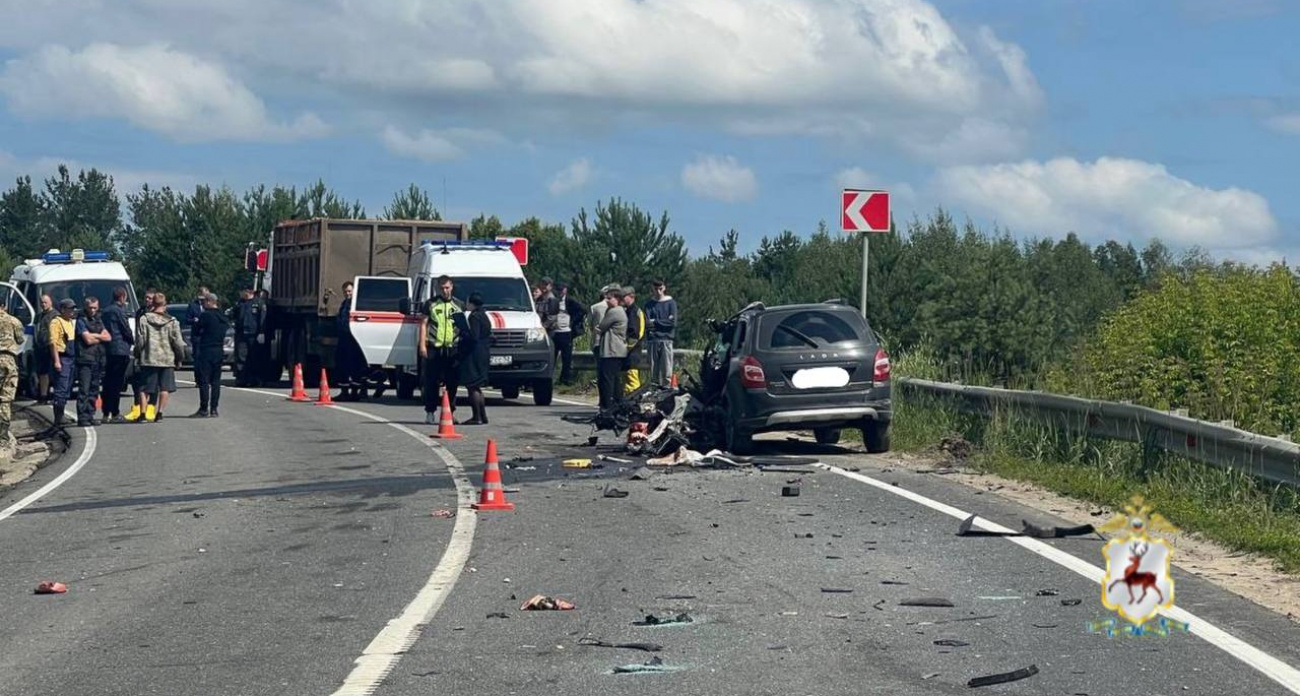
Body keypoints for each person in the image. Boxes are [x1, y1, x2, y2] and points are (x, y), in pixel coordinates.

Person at [130, 294, 185, 423]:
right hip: (166, 359)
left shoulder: (144, 319)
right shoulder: (172, 321)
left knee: (144, 388)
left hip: (149, 358)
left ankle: (143, 414)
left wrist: (137, 354)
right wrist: (179, 357)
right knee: (164, 388)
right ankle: (159, 413)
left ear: (153, 304)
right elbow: (178, 342)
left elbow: (140, 340)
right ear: (165, 305)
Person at [419, 275, 462, 424]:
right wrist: (422, 345)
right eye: (442, 288)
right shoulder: (430, 304)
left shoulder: (458, 305)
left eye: (447, 287)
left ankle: (450, 411)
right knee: (431, 381)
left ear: (452, 287)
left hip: (452, 348)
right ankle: (430, 412)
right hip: (434, 347)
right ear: (438, 288)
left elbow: (462, 326)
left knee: (452, 382)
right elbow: (423, 324)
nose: (445, 291)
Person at [455, 292, 492, 425]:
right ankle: (483, 415)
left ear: (472, 303)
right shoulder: (484, 315)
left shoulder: (474, 316)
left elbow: (474, 336)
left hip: (474, 354)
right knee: (477, 386)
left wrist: (462, 331)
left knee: (472, 386)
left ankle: (477, 417)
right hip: (484, 352)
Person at [74, 296, 111, 427]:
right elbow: (87, 340)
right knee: (84, 389)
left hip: (97, 359)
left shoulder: (98, 319)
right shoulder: (81, 320)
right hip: (85, 359)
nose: (93, 310)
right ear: (86, 307)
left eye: (95, 308)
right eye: (90, 308)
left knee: (94, 390)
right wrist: (99, 337)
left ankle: (90, 415)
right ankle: (82, 417)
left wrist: (94, 335)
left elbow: (108, 337)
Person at [191, 293, 229, 417]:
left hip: (206, 349)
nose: (202, 304)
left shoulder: (206, 315)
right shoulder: (222, 317)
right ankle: (214, 409)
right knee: (216, 381)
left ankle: (203, 408)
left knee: (204, 381)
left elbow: (196, 330)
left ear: (209, 302)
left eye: (204, 302)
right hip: (219, 350)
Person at [100, 286, 135, 423]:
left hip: (107, 349)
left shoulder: (105, 311)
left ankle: (106, 412)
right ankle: (115, 412)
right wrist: (132, 340)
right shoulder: (119, 311)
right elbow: (125, 328)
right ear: (122, 297)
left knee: (107, 382)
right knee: (117, 383)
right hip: (119, 349)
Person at [334, 281, 368, 402]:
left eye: (349, 291)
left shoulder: (356, 305)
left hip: (354, 338)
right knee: (341, 364)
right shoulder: (345, 304)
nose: (347, 293)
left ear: (354, 291)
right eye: (345, 292)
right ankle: (344, 392)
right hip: (343, 337)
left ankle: (355, 392)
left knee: (355, 365)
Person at [595, 287, 627, 411]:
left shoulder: (614, 312)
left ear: (617, 299)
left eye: (609, 298)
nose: (607, 301)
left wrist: (598, 328)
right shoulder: (619, 311)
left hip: (611, 350)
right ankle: (617, 404)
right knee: (615, 379)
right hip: (617, 350)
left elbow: (601, 326)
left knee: (607, 379)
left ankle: (607, 406)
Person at [48, 298, 77, 428]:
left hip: (71, 358)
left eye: (73, 309)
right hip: (62, 358)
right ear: (63, 309)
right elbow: (53, 343)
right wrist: (56, 361)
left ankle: (62, 415)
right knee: (60, 389)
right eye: (70, 309)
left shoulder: (70, 322)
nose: (72, 311)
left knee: (67, 389)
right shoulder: (56, 322)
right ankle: (58, 419)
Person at [644, 280, 678, 386]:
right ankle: (654, 391)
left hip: (666, 340)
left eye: (660, 289)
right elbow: (647, 323)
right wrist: (663, 322)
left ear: (664, 288)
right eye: (656, 289)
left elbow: (672, 323)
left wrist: (656, 321)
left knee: (667, 371)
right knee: (653, 372)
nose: (658, 292)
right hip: (653, 340)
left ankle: (667, 390)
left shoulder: (671, 303)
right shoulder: (649, 305)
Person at [0, 302, 24, 446]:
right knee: (5, 399)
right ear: (4, 306)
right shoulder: (13, 321)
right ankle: (3, 436)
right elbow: (20, 340)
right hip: (8, 360)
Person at [552, 283, 585, 385]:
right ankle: (549, 378)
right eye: (558, 290)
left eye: (561, 290)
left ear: (565, 290)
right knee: (552, 356)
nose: (560, 292)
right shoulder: (553, 301)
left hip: (566, 332)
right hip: (554, 332)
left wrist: (572, 321)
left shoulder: (570, 301)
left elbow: (582, 310)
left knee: (566, 358)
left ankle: (565, 379)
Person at [621, 286, 646, 395]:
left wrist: (625, 348)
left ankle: (634, 401)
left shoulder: (634, 312)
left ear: (631, 297)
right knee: (627, 382)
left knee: (632, 382)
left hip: (632, 353)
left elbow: (635, 335)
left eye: (623, 296)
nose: (621, 299)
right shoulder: (629, 311)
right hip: (629, 353)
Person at [233, 288, 260, 387]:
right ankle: (241, 379)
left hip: (253, 334)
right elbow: (235, 315)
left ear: (249, 292)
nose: (242, 293)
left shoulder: (257, 303)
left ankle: (253, 379)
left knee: (254, 357)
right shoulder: (240, 303)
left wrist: (261, 332)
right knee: (241, 357)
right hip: (242, 333)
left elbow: (262, 318)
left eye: (244, 291)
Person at [33, 295, 55, 404]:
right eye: (42, 302)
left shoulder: (55, 315)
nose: (43, 304)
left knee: (53, 372)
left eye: (45, 302)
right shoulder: (39, 316)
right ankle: (43, 396)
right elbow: (36, 329)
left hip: (52, 347)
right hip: (40, 347)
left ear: (51, 302)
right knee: (42, 372)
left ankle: (55, 395)